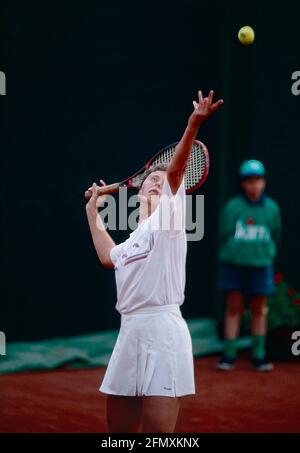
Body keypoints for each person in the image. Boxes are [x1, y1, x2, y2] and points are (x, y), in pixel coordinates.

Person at [85, 90, 223, 433]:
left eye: (163, 183)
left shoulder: (171, 219)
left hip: (163, 333)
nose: (156, 184)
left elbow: (176, 172)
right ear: (140, 189)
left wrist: (192, 125)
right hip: (129, 332)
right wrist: (93, 213)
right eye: (151, 180)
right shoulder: (133, 240)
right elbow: (107, 257)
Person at [217, 160, 282, 372]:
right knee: (233, 306)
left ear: (263, 182)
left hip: (261, 265)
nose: (254, 185)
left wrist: (265, 253)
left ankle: (259, 354)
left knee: (259, 308)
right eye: (249, 181)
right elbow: (224, 234)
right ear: (243, 184)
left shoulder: (272, 208)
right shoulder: (232, 207)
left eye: (258, 180)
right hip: (234, 265)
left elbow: (276, 234)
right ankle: (229, 354)